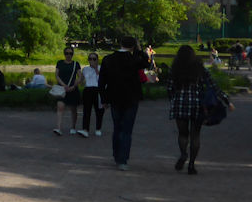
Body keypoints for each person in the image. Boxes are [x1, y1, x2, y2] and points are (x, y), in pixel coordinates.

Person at [165, 44, 233, 175]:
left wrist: (173, 100)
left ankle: (183, 154)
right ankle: (191, 164)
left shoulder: (174, 69)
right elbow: (213, 87)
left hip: (180, 104)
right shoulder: (200, 69)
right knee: (195, 135)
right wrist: (227, 101)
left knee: (183, 134)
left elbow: (169, 88)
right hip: (198, 105)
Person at [99, 36, 150, 171]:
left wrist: (104, 99)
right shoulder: (134, 60)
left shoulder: (108, 59)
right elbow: (146, 63)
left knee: (117, 127)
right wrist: (139, 51)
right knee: (127, 129)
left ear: (120, 43)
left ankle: (116, 155)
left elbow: (102, 81)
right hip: (131, 97)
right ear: (133, 46)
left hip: (114, 97)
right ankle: (123, 159)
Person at [53, 47, 83, 135]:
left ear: (72, 54)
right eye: (67, 53)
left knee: (73, 109)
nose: (68, 55)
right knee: (60, 107)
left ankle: (73, 126)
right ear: (64, 54)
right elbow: (57, 75)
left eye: (70, 53)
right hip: (62, 89)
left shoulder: (76, 64)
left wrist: (74, 85)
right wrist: (63, 85)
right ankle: (58, 128)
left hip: (72, 89)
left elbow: (80, 76)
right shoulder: (60, 63)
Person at [78, 52, 103, 138]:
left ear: (97, 60)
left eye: (94, 59)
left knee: (99, 110)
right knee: (86, 110)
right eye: (90, 59)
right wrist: (73, 84)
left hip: (98, 89)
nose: (92, 61)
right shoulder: (85, 69)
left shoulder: (101, 68)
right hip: (88, 89)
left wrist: (96, 68)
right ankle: (85, 129)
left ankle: (98, 128)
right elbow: (81, 80)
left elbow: (101, 79)